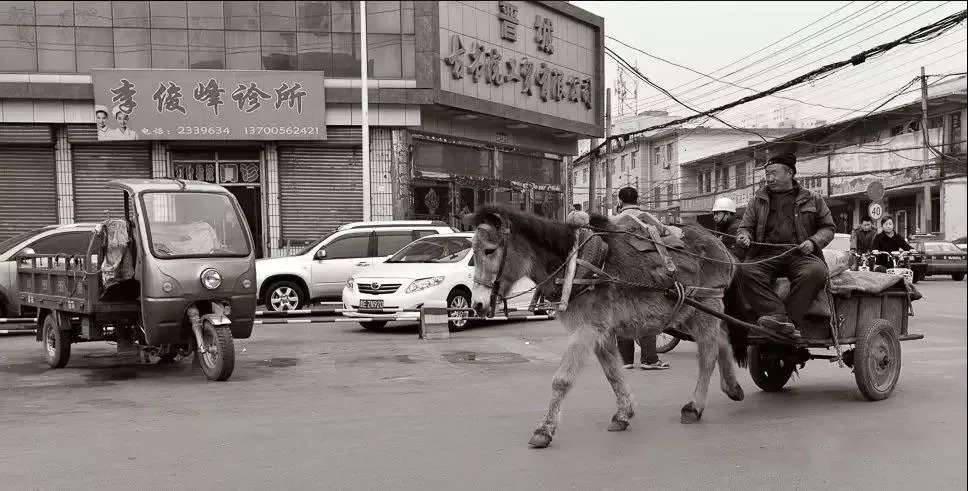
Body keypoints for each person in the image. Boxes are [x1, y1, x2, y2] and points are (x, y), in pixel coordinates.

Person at [736, 152, 835, 338]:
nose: (770, 179)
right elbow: (745, 228)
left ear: (790, 173)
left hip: (800, 254)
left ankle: (789, 320)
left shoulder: (812, 199)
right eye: (767, 175)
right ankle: (777, 315)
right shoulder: (757, 200)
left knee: (816, 272)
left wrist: (814, 242)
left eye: (774, 174)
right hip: (766, 255)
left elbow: (828, 228)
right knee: (743, 270)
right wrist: (744, 236)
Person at [613, 186, 669, 370]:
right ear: (637, 200)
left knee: (622, 314)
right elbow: (664, 234)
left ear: (620, 201)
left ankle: (626, 360)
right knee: (646, 314)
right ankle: (649, 360)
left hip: (620, 274)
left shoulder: (613, 221)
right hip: (645, 273)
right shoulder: (648, 218)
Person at [711, 196, 745, 261]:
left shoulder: (735, 229)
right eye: (714, 214)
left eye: (718, 213)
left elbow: (734, 257)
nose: (715, 217)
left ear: (727, 214)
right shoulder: (727, 227)